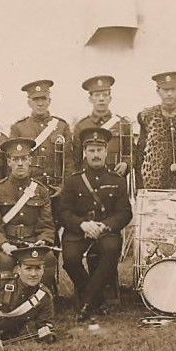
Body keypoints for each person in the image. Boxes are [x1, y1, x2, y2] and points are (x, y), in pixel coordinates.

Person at [58, 128, 133, 320]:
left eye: (99, 150)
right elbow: (63, 212)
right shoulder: (73, 181)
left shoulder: (117, 181)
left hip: (105, 230)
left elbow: (125, 213)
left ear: (106, 152)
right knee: (71, 260)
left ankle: (87, 302)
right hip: (79, 230)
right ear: (84, 153)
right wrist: (82, 225)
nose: (96, 155)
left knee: (111, 249)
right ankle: (96, 299)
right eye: (91, 150)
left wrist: (105, 226)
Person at [0, 137, 58, 292]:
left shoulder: (41, 191)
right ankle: (7, 302)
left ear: (30, 160)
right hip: (8, 244)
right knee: (5, 261)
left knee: (49, 258)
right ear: (9, 162)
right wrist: (3, 244)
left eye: (23, 158)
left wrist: (43, 241)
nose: (20, 163)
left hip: (32, 242)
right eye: (15, 159)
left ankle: (41, 300)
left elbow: (47, 225)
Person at [10, 80, 71, 191]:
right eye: (36, 99)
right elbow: (11, 163)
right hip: (28, 188)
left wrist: (64, 187)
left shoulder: (62, 126)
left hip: (56, 187)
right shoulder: (18, 128)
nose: (40, 103)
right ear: (29, 102)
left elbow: (68, 161)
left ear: (49, 101)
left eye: (43, 99)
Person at [71, 75, 134, 179]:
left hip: (115, 178)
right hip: (88, 180)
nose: (101, 99)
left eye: (105, 95)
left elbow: (132, 152)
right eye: (97, 95)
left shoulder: (122, 124)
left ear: (110, 98)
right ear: (90, 99)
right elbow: (76, 160)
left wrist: (126, 164)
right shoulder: (81, 126)